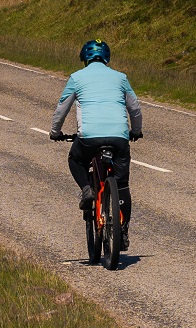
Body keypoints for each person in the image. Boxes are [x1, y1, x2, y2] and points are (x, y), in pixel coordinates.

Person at [48, 39, 142, 220]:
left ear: (84, 58)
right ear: (107, 58)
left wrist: (55, 132)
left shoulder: (77, 77)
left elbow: (62, 108)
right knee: (122, 185)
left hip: (89, 137)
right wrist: (136, 131)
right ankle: (122, 233)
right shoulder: (120, 77)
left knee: (75, 159)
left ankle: (86, 189)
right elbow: (135, 108)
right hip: (119, 138)